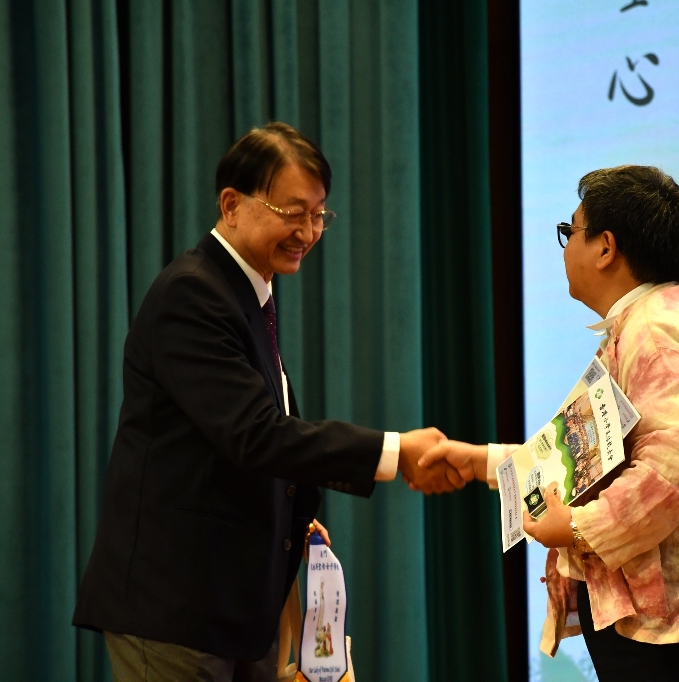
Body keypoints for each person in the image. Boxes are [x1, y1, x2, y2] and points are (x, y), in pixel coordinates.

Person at [73, 123, 462, 682]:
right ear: (232, 204)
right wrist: (395, 452)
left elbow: (232, 445)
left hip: (232, 607)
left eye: (319, 215)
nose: (307, 232)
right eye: (292, 213)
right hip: (176, 609)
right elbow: (254, 435)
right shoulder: (193, 293)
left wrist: (291, 513)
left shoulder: (246, 291)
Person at [420, 165, 679, 681]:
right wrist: (483, 463)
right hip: (678, 630)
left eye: (571, 231)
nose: (566, 246)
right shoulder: (656, 319)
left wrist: (580, 527)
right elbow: (583, 461)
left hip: (678, 637)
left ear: (606, 247)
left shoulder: (653, 332)